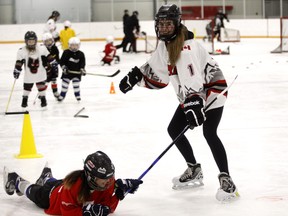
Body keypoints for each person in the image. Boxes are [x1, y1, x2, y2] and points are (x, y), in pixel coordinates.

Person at [119, 4, 239, 202]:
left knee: (209, 132)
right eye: (161, 24)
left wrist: (194, 104)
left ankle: (227, 179)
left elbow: (194, 80)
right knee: (174, 129)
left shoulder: (187, 48)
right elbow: (157, 71)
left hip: (212, 91)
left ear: (177, 24)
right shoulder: (164, 45)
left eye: (168, 24)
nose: (164, 28)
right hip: (191, 96)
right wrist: (136, 78)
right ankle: (194, 169)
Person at [4, 150, 143, 216]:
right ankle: (15, 179)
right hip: (50, 197)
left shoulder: (107, 181)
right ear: (91, 177)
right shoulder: (73, 189)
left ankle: (46, 176)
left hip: (61, 185)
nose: (109, 181)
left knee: (54, 182)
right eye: (104, 178)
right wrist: (84, 212)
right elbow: (66, 212)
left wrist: (118, 194)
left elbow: (107, 208)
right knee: (31, 191)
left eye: (110, 177)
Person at [13, 31, 56, 108]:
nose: (31, 43)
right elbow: (19, 62)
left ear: (36, 41)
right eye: (29, 41)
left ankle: (43, 99)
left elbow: (48, 56)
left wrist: (53, 62)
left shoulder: (42, 47)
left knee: (41, 86)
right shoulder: (21, 50)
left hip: (40, 72)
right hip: (29, 74)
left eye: (33, 41)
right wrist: (17, 69)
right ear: (26, 41)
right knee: (27, 87)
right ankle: (24, 100)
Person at [58, 37, 86, 102]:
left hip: (76, 74)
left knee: (76, 85)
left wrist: (82, 69)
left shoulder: (81, 54)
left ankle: (77, 95)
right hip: (67, 73)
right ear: (69, 45)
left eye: (76, 45)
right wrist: (64, 67)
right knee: (64, 85)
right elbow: (61, 62)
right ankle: (62, 95)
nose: (74, 47)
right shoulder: (66, 52)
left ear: (79, 45)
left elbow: (83, 63)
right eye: (72, 45)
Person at [42, 32, 60, 98]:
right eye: (46, 41)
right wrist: (46, 65)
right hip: (47, 68)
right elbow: (42, 60)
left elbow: (58, 58)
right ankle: (42, 93)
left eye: (50, 40)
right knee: (46, 80)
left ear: (52, 40)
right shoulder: (43, 49)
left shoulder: (55, 48)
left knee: (54, 80)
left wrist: (58, 63)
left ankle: (55, 92)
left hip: (54, 68)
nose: (48, 42)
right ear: (44, 42)